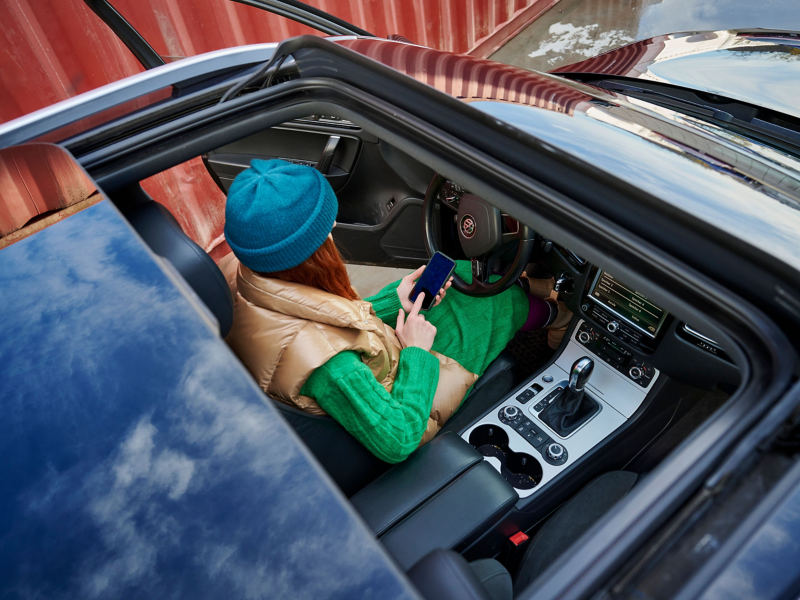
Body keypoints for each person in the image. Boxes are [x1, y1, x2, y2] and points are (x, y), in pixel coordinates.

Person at [222, 159, 566, 464]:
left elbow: (325, 321)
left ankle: (538, 290)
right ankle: (558, 317)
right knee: (493, 303)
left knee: (461, 275)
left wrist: (392, 302)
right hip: (405, 388)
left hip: (377, 357)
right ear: (307, 253)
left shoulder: (240, 277)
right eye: (326, 229)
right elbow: (398, 439)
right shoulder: (330, 368)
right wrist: (416, 350)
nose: (332, 230)